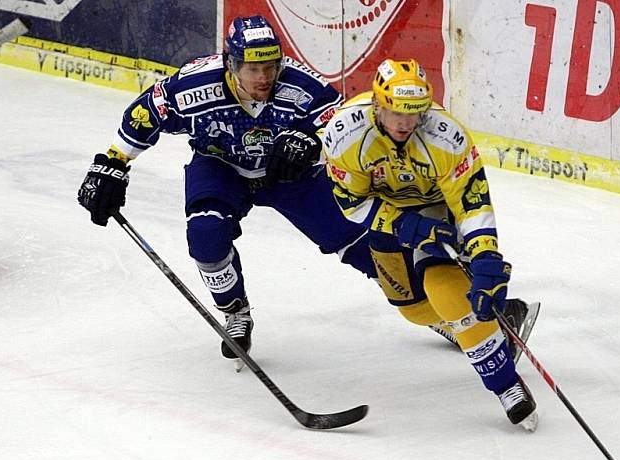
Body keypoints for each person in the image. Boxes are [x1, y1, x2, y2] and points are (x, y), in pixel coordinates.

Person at [77, 14, 533, 372]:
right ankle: (234, 309)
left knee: (369, 247)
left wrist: (309, 143)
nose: (264, 76)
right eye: (253, 68)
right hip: (222, 166)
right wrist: (111, 163)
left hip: (290, 177)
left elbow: (338, 122)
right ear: (230, 63)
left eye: (270, 66)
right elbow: (145, 113)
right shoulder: (193, 86)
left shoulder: (299, 85)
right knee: (206, 237)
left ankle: (449, 318)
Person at [321, 58, 538, 430]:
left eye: (415, 113)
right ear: (377, 105)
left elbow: (472, 202)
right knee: (415, 311)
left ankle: (506, 385)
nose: (405, 123)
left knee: (446, 289)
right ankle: (498, 327)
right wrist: (402, 222)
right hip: (386, 214)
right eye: (395, 113)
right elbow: (350, 204)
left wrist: (485, 255)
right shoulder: (345, 134)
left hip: (438, 208)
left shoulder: (445, 136)